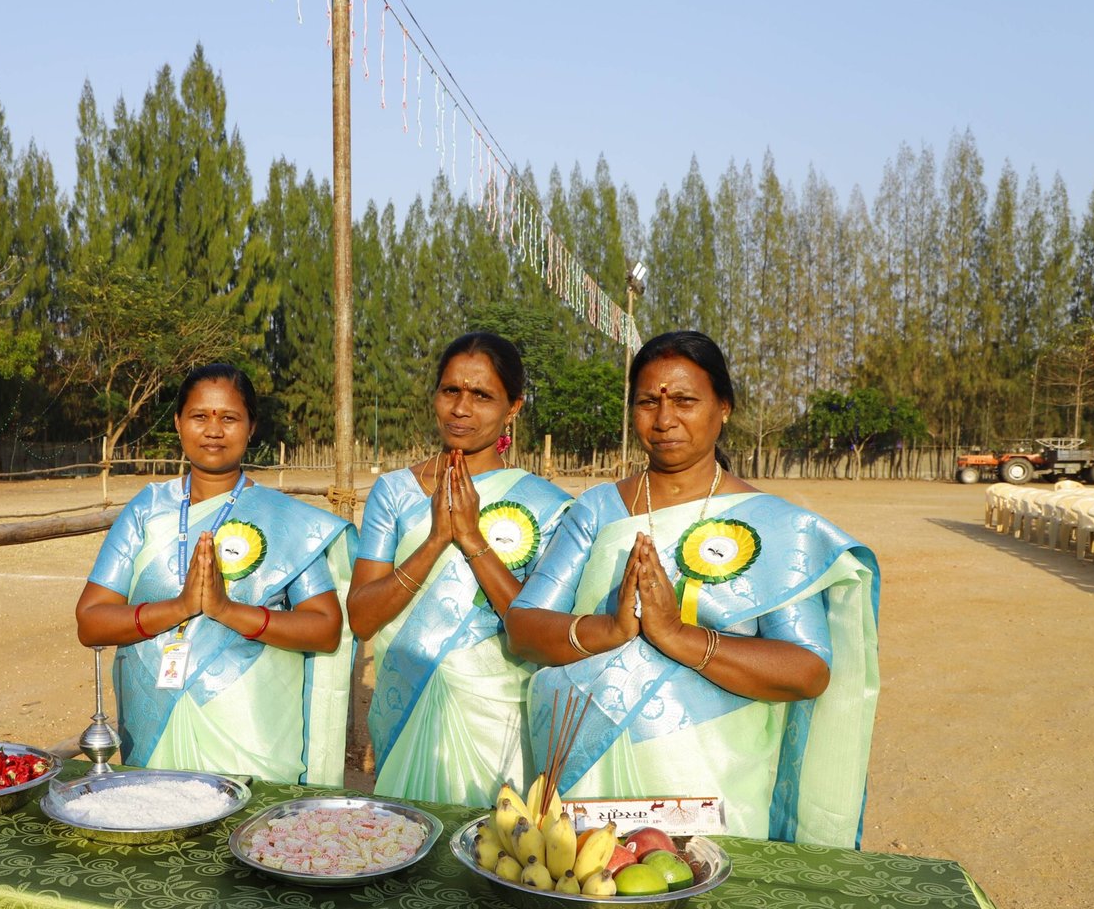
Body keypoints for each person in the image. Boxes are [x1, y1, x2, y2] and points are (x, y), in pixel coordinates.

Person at [505, 330, 880, 847]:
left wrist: (680, 637)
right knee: (588, 888)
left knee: (706, 896)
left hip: (714, 786)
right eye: (647, 402)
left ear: (723, 407)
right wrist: (610, 629)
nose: (664, 420)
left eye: (684, 400)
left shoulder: (773, 525)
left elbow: (807, 669)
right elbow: (523, 627)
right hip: (587, 784)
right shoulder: (596, 510)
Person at [74, 364, 356, 784]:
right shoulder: (148, 509)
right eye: (199, 416)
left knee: (249, 824)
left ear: (251, 427)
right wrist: (180, 607)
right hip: (155, 725)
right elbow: (91, 621)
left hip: (254, 733)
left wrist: (226, 610)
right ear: (178, 422)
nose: (213, 430)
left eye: (229, 418)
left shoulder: (286, 522)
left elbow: (325, 628)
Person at [349, 333, 573, 807]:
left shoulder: (547, 506)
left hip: (500, 718)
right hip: (406, 704)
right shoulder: (396, 492)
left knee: (497, 841)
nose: (461, 408)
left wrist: (471, 538)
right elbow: (362, 618)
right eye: (450, 390)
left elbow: (538, 632)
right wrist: (435, 540)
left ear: (513, 407)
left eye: (482, 395)